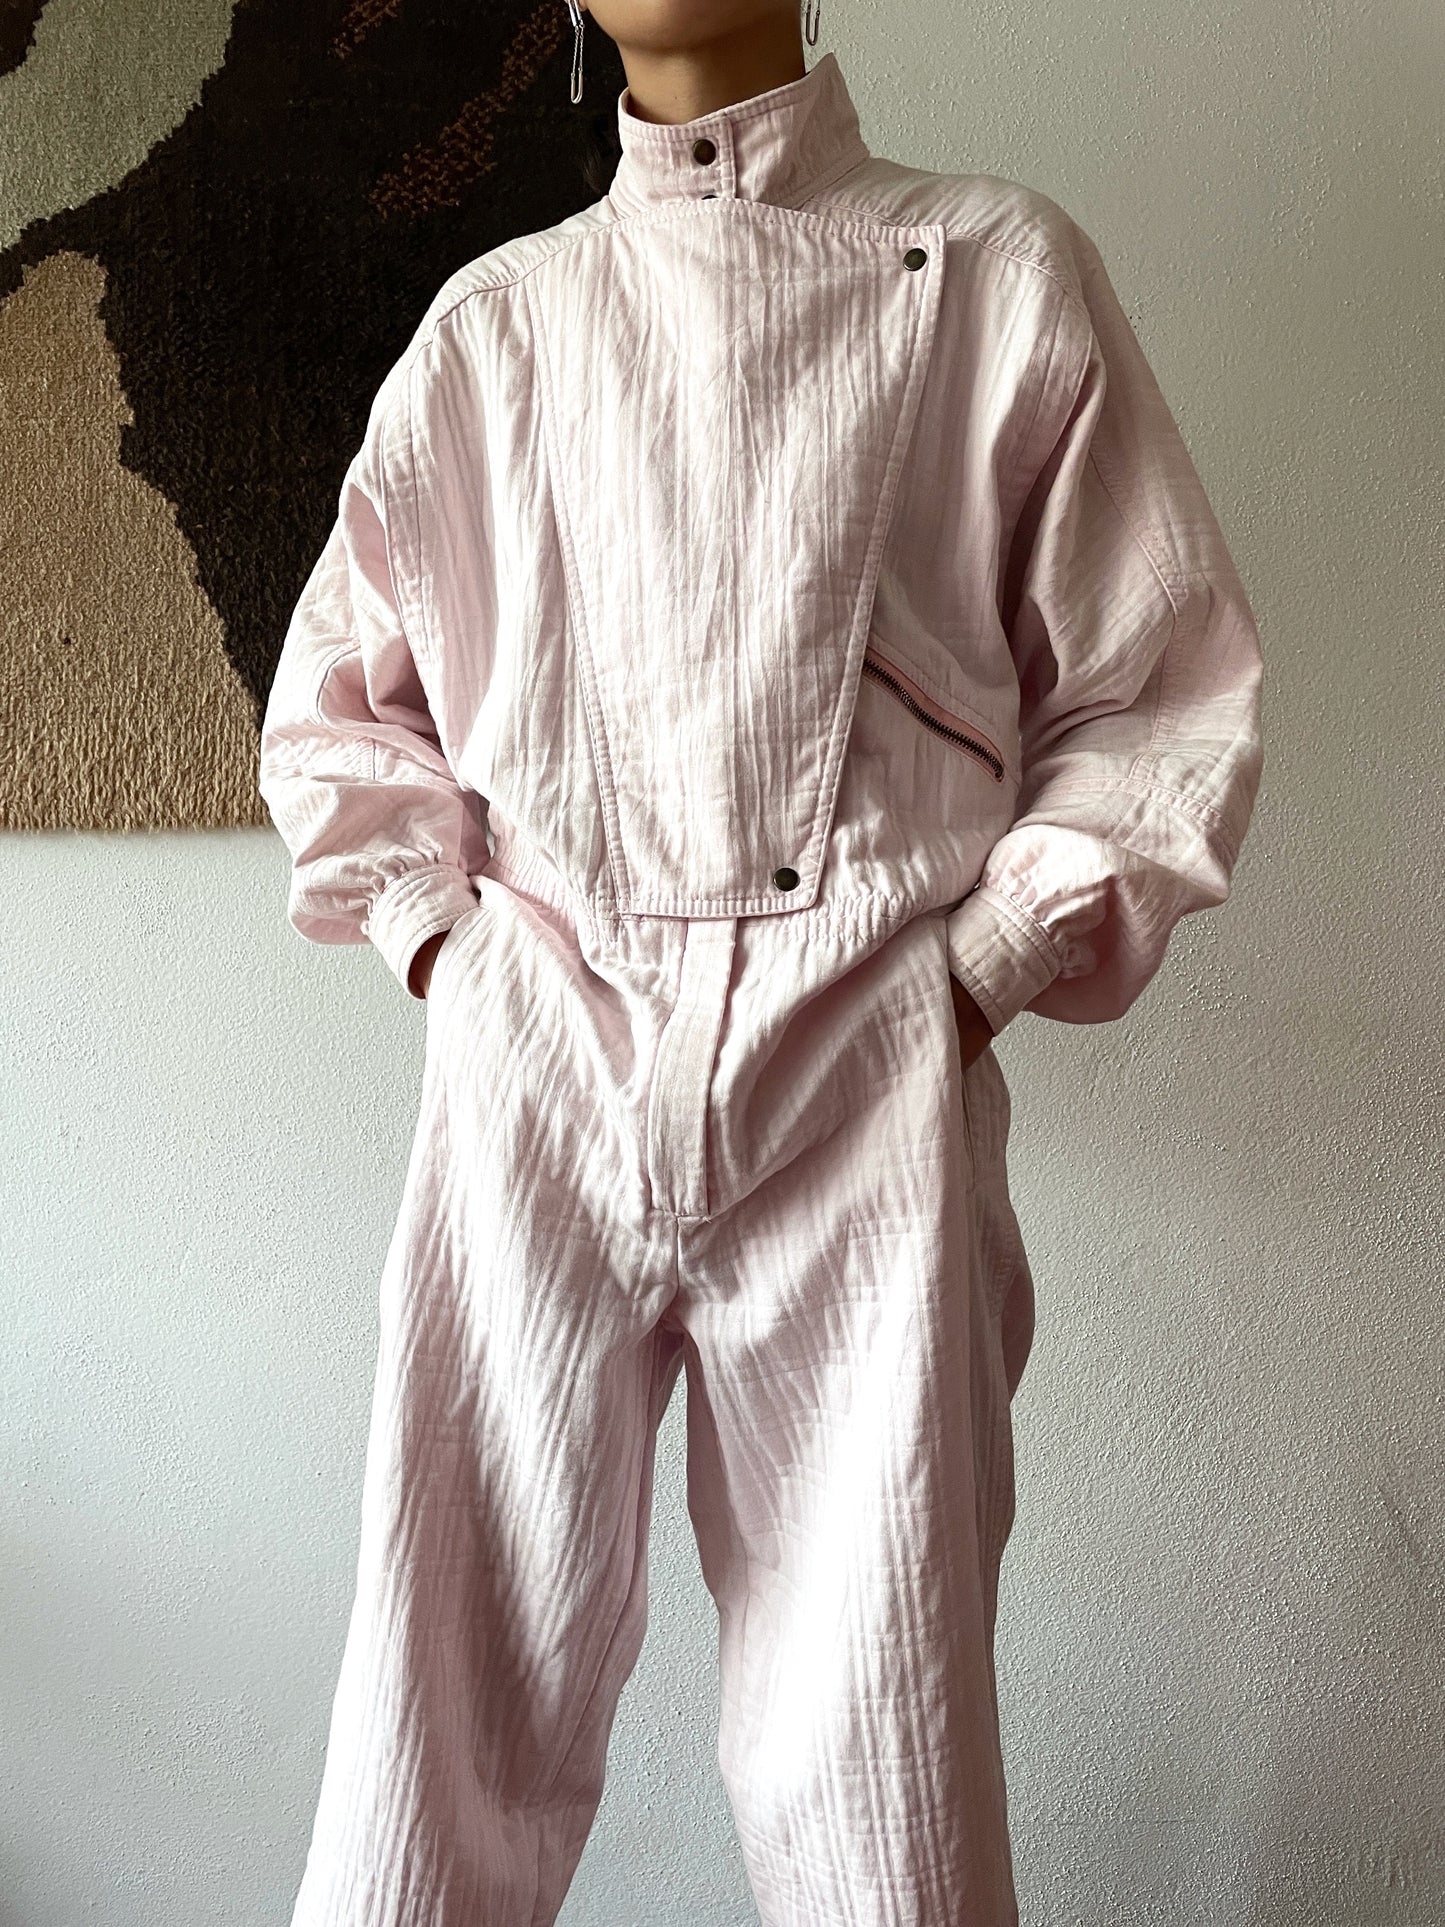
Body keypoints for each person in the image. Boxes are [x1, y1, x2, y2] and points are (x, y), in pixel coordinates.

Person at [257, 2, 1264, 1922]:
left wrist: (963, 976)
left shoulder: (995, 273)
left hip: (867, 1092)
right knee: (426, 1743)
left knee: (881, 1764)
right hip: (535, 1084)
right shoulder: (496, 327)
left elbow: (1159, 698)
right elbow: (337, 716)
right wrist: (456, 960)